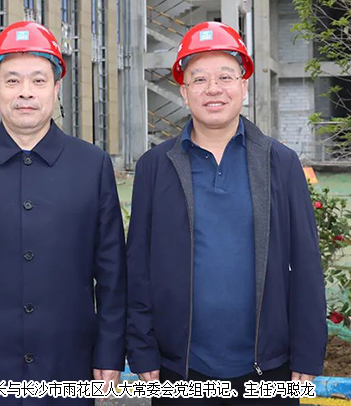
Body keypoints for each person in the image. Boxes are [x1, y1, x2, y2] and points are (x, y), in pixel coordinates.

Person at [0, 21, 127, 405]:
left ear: (56, 88)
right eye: (12, 81)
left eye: (38, 80)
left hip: (69, 362)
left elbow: (112, 272)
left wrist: (110, 351)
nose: (26, 92)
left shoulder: (91, 165)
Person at [126, 21, 327, 405]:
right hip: (179, 367)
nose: (213, 88)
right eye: (199, 79)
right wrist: (142, 346)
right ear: (184, 91)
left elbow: (305, 262)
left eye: (225, 77)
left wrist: (308, 350)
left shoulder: (280, 163)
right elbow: (138, 267)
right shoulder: (155, 166)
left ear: (244, 85)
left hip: (270, 367)